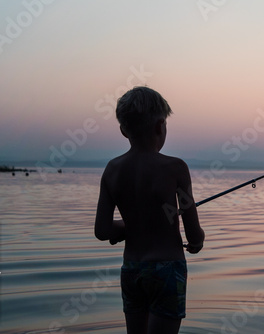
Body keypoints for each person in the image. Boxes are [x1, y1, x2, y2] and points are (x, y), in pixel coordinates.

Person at [94, 86, 205, 334]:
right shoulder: (176, 168)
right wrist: (198, 240)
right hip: (167, 270)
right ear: (159, 127)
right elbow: (192, 229)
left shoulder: (112, 170)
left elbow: (102, 231)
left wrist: (128, 227)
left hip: (132, 270)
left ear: (123, 130)